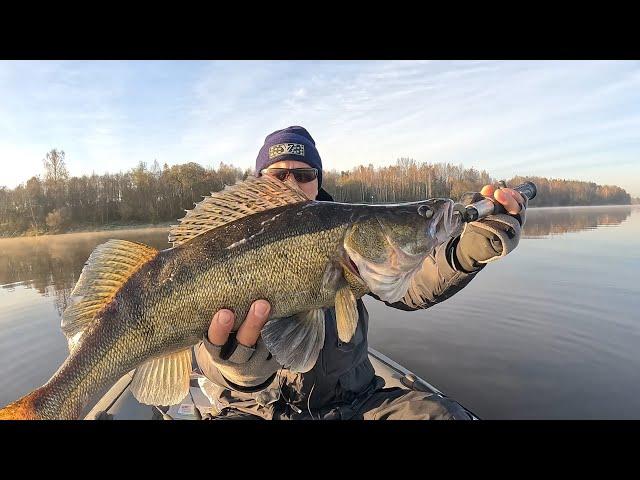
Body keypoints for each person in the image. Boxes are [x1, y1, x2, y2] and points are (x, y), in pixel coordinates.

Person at [195, 126, 527, 420]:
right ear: (257, 184)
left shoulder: (350, 238)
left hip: (354, 405)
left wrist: (468, 248)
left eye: (305, 174)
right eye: (278, 175)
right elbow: (191, 335)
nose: (292, 182)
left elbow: (410, 284)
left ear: (318, 183)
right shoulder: (220, 249)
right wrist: (234, 370)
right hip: (251, 409)